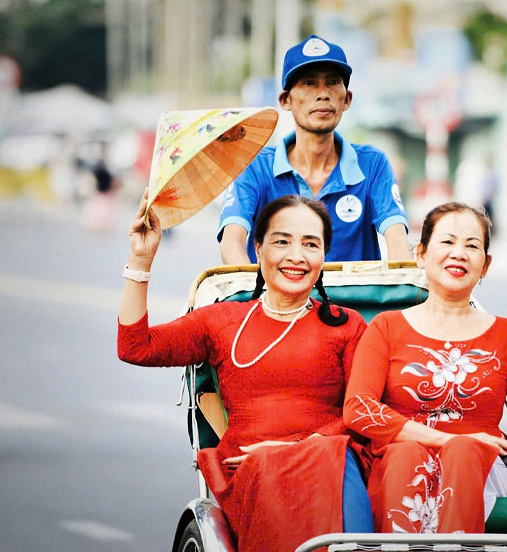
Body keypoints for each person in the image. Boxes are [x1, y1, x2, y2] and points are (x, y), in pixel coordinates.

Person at [118, 193, 373, 550]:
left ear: (323, 256)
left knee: (334, 458)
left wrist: (294, 447)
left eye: (310, 244)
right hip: (250, 469)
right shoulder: (223, 320)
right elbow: (135, 347)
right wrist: (140, 259)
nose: (296, 256)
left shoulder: (348, 326)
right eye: (282, 241)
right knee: (267, 464)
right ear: (258, 248)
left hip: (330, 459)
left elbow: (361, 411)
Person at [343, 202, 507, 534]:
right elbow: (358, 409)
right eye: (447, 242)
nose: (459, 253)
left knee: (465, 450)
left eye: (472, 246)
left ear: (485, 265)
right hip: (398, 466)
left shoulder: (505, 335)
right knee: (409, 456)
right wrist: (443, 438)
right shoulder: (386, 327)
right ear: (421, 254)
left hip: (478, 471)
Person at [218, 34, 412, 264]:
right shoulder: (254, 166)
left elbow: (398, 241)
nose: (322, 94)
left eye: (332, 82)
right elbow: (231, 242)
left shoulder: (372, 164)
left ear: (346, 99)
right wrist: (256, 294)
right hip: (277, 299)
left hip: (353, 301)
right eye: (309, 83)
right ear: (285, 100)